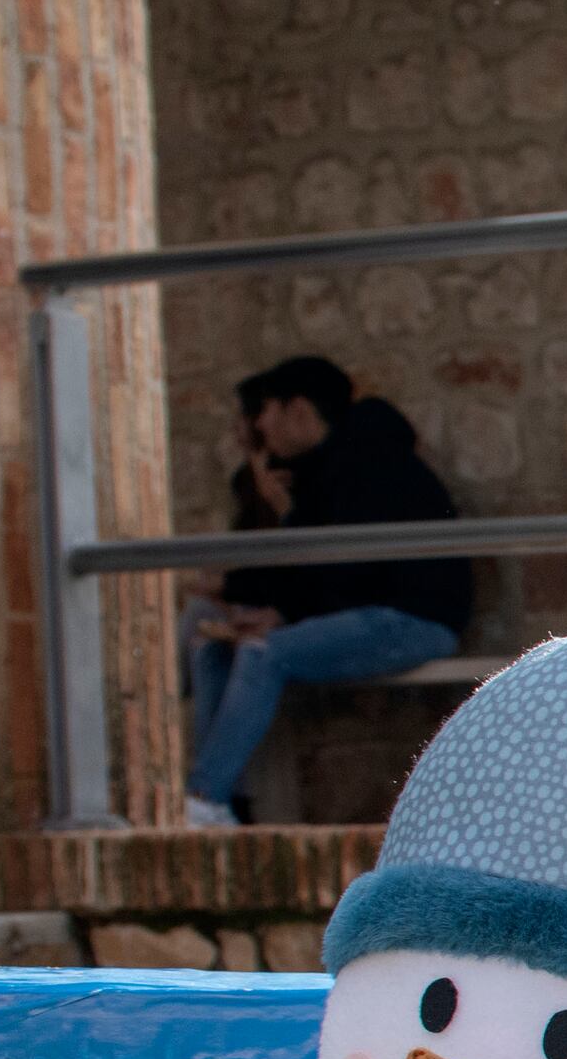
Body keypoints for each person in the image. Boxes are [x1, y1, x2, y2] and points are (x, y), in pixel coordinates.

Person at [182, 354, 474, 829]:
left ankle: (205, 797)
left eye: (267, 410)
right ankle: (227, 805)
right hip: (366, 613)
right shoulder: (321, 469)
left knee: (262, 653)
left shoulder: (367, 462)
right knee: (214, 651)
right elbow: (313, 569)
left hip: (413, 620)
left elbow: (350, 573)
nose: (261, 424)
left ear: (299, 410)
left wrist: (281, 613)